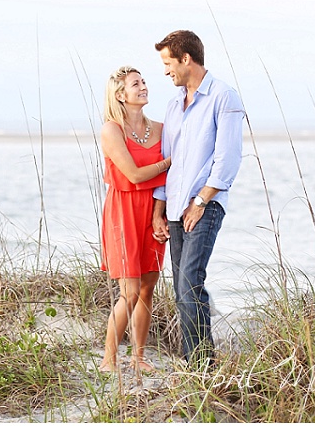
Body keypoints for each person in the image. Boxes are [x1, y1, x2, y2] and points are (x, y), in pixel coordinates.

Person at [151, 30, 244, 369]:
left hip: (204, 206)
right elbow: (169, 161)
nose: (165, 72)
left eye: (168, 63)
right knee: (181, 290)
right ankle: (195, 363)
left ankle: (202, 367)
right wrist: (158, 212)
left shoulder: (224, 97)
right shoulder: (175, 105)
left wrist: (201, 201)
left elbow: (228, 159)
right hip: (175, 209)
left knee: (191, 282)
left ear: (186, 59)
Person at [99, 66, 171, 373]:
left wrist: (159, 214)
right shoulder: (111, 130)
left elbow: (165, 183)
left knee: (146, 290)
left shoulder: (161, 128)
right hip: (123, 210)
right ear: (120, 94)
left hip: (153, 210)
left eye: (143, 81)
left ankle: (139, 358)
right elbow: (134, 174)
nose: (144, 86)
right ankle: (108, 359)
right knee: (128, 292)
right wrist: (170, 161)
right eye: (135, 84)